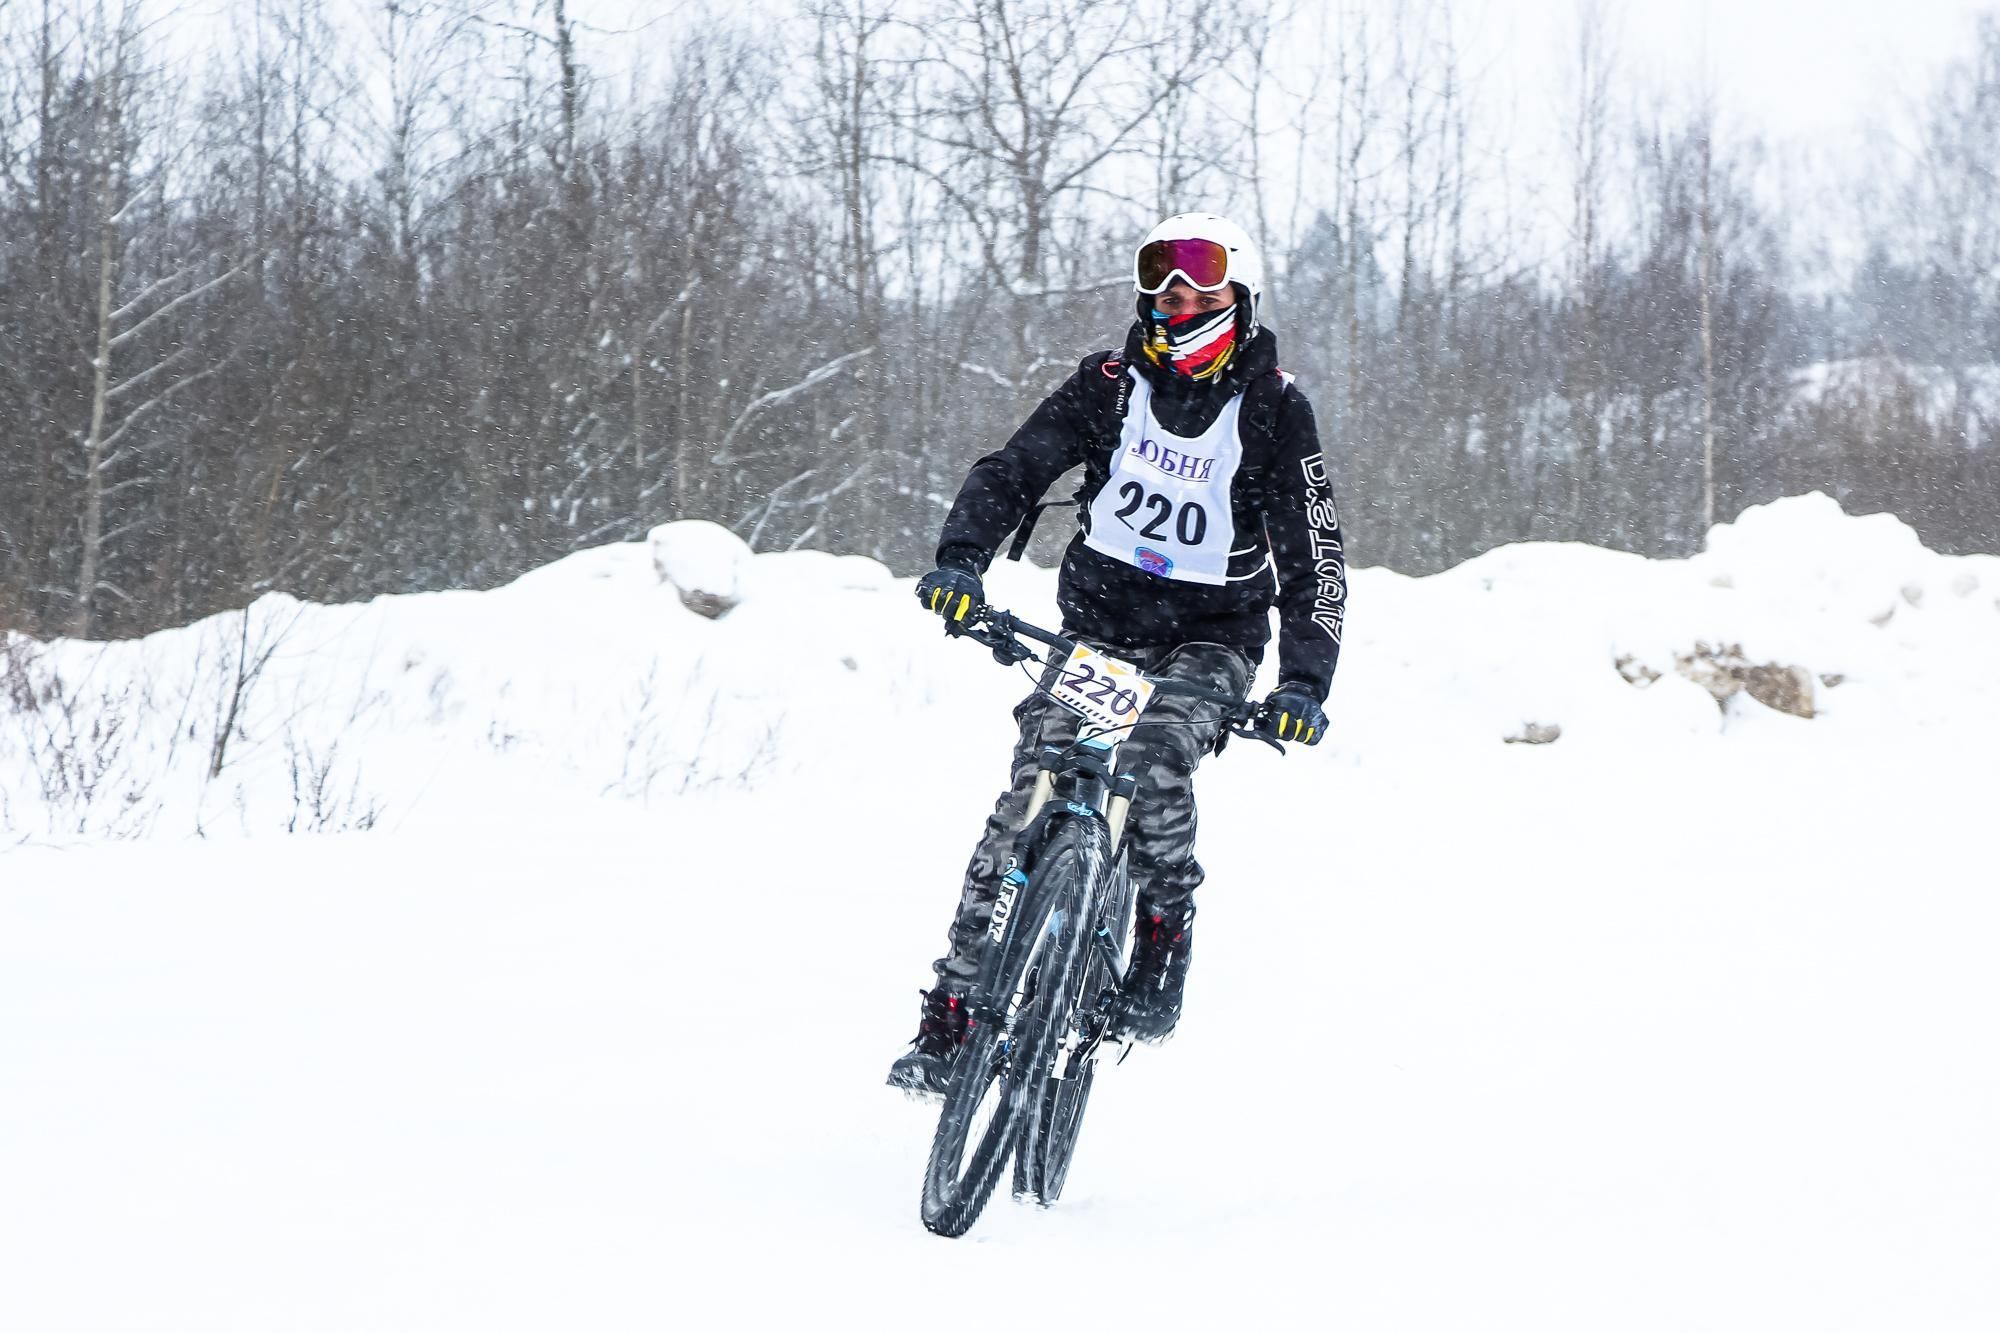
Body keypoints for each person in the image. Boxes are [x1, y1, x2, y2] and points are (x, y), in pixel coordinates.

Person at [887, 213, 1348, 1096]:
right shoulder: (1107, 383)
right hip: (1101, 627)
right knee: (1026, 801)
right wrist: (960, 561)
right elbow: (1014, 469)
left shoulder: (1276, 409)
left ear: (1239, 299)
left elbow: (1316, 557)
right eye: (1163, 284)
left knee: (1155, 761)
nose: (1178, 300)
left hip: (1210, 638)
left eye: (1200, 285)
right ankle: (949, 1018)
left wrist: (1303, 682)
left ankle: (1164, 932)